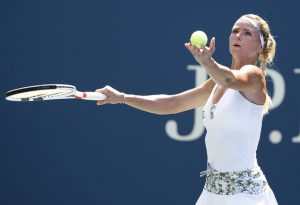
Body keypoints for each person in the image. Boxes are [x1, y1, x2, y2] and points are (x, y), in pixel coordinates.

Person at [96, 14, 278, 205]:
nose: (238, 36)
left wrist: (207, 62)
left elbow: (229, 79)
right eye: (234, 31)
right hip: (211, 194)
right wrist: (122, 97)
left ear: (260, 47)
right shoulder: (214, 84)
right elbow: (172, 103)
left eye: (247, 33)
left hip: (246, 198)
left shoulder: (254, 76)